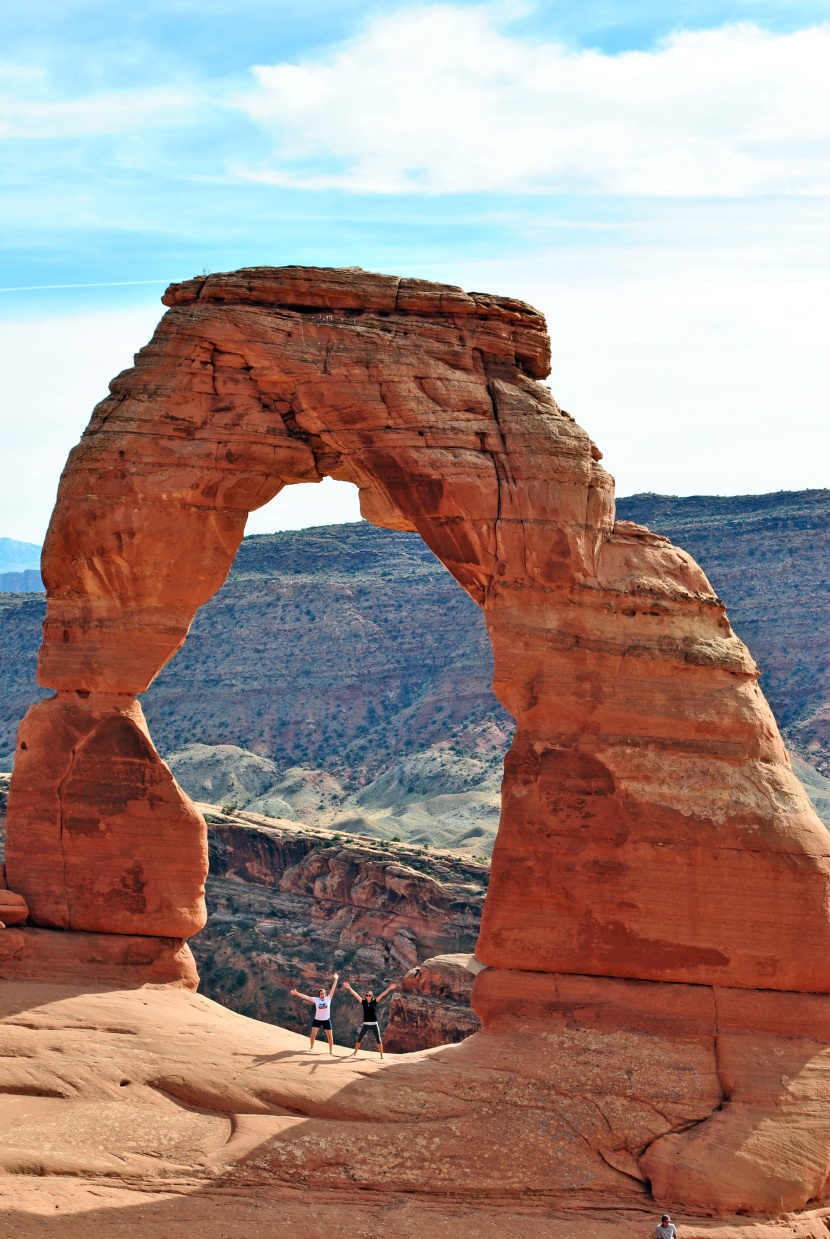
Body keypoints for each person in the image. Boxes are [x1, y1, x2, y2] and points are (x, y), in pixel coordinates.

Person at [342, 978, 397, 1059]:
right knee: (359, 1039)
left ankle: (381, 1056)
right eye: (367, 995)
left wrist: (389, 988)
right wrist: (349, 988)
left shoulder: (374, 1002)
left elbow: (382, 995)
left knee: (378, 1040)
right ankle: (355, 1053)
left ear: (372, 997)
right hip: (366, 1024)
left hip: (374, 1024)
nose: (368, 996)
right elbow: (356, 995)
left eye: (369, 995)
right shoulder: (363, 1002)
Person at [290, 972, 340, 1053]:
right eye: (321, 994)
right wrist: (297, 993)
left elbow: (333, 989)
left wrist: (336, 980)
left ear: (325, 994)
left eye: (323, 993)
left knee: (330, 1036)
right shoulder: (316, 1000)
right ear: (319, 995)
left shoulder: (328, 998)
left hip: (326, 1020)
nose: (322, 995)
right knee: (313, 1035)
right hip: (317, 1020)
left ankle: (331, 1051)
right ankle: (311, 1047)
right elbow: (306, 997)